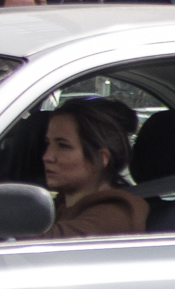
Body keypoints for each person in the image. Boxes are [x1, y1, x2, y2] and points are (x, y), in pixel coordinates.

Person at [36, 95, 148, 240]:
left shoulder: (116, 213)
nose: (47, 156)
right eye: (48, 144)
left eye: (63, 146)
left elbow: (49, 244)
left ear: (101, 158)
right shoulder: (60, 205)